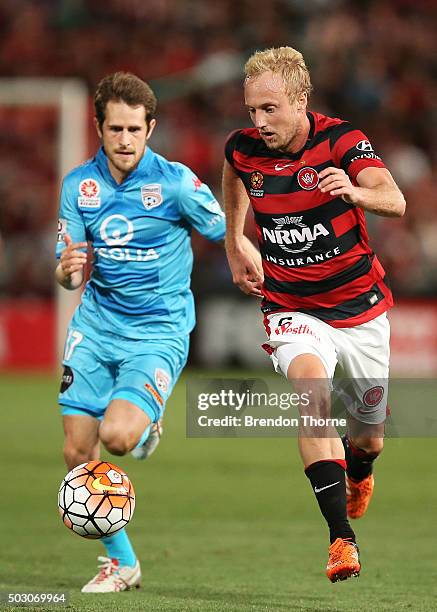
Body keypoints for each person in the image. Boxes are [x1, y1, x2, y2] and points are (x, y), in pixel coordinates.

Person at [55, 71, 260, 593]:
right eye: (114, 129)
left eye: (134, 130)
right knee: (78, 453)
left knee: (117, 439)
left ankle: (146, 426)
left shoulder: (174, 183)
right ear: (98, 127)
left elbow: (227, 232)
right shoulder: (79, 186)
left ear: (151, 127)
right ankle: (122, 563)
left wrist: (253, 261)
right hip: (96, 327)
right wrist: (67, 271)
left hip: (158, 330)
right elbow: (69, 266)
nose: (124, 140)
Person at [223, 47, 405, 582]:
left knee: (368, 437)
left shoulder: (342, 140)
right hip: (292, 308)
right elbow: (232, 172)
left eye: (270, 109)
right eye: (252, 109)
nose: (259, 122)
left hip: (360, 310)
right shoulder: (244, 148)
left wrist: (353, 190)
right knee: (311, 393)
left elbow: (394, 199)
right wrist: (236, 239)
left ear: (302, 100)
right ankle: (340, 540)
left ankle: (362, 467)